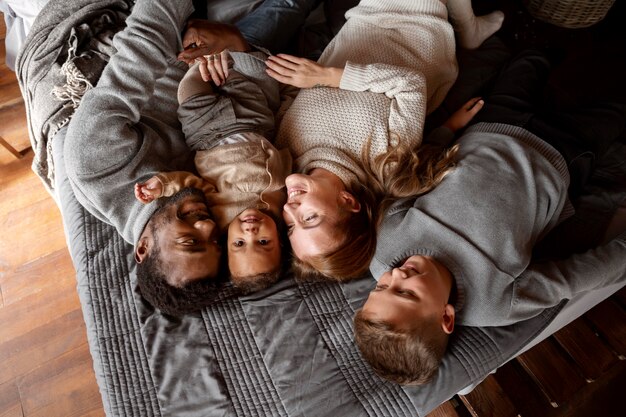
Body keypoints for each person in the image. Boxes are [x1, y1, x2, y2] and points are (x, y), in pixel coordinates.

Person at [353, 50, 626, 385]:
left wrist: (446, 131)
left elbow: (409, 180)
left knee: (528, 62)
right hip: (561, 154)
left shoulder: (385, 249)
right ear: (447, 317)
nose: (396, 274)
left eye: (382, 286)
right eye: (406, 292)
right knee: (615, 106)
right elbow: (574, 278)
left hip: (492, 125)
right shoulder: (494, 303)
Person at [63, 0, 321, 315]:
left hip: (179, 49)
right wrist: (242, 50)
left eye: (190, 240)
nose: (208, 226)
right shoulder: (204, 208)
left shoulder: (95, 163)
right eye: (216, 243)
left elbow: (142, 45)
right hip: (238, 72)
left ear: (143, 248)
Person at [263, 0, 503, 281]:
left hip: (363, 22)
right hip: (417, 32)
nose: (290, 210)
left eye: (291, 227)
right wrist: (326, 76)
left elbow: (290, 94)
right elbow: (411, 86)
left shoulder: (286, 152)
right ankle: (469, 29)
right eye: (309, 219)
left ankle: (468, 25)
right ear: (347, 201)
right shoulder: (385, 161)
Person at [134, 40, 292, 293]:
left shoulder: (219, 217)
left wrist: (163, 184)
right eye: (263, 241)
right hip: (255, 125)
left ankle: (200, 60)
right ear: (281, 243)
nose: (250, 231)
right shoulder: (287, 213)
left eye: (239, 243)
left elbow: (194, 185)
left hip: (207, 132)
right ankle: (223, 50)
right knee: (241, 74)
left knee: (191, 89)